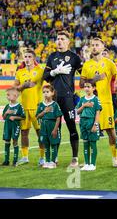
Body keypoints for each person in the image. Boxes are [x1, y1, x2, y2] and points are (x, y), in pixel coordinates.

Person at [43, 30, 82, 167]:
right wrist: (54, 71)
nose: (59, 41)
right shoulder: (52, 56)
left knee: (72, 127)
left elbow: (84, 75)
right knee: (55, 128)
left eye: (62, 39)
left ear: (68, 41)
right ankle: (54, 158)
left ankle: (75, 158)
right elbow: (45, 76)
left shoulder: (74, 57)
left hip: (68, 98)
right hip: (54, 99)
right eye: (58, 38)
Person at [80, 38, 117, 167]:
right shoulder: (86, 64)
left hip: (106, 102)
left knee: (110, 131)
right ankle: (89, 161)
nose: (94, 47)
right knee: (90, 131)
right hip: (91, 103)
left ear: (103, 47)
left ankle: (115, 158)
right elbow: (81, 84)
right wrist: (93, 79)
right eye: (92, 45)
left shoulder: (109, 63)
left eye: (97, 45)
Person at [14, 48, 45, 166]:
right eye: (25, 57)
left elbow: (50, 81)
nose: (27, 59)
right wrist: (24, 85)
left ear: (34, 58)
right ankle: (25, 157)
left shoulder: (40, 71)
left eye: (29, 57)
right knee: (24, 132)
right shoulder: (20, 72)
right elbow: (15, 88)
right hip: (24, 107)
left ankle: (42, 157)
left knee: (40, 133)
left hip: (37, 107)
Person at [75, 80, 101, 171]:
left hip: (91, 122)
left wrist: (95, 124)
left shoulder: (95, 99)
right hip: (83, 123)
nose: (86, 88)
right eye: (85, 86)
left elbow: (98, 113)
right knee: (85, 143)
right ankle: (87, 163)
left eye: (88, 86)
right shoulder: (82, 99)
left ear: (93, 88)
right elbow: (77, 111)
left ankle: (93, 164)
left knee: (92, 143)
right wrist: (84, 105)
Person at [35, 85, 62, 169]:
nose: (45, 94)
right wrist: (44, 111)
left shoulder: (55, 105)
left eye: (47, 92)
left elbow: (58, 118)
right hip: (44, 127)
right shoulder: (41, 105)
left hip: (52, 125)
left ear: (52, 93)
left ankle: (53, 162)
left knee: (53, 144)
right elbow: (37, 116)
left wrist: (55, 130)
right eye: (44, 92)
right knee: (46, 144)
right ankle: (47, 161)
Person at [2, 88, 25, 166]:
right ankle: (6, 160)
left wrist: (15, 117)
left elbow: (23, 117)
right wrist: (6, 113)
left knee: (15, 141)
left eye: (8, 95)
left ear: (15, 96)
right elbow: (4, 117)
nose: (7, 97)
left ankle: (15, 160)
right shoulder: (7, 106)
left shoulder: (19, 106)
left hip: (15, 126)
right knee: (7, 141)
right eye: (7, 95)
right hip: (7, 126)